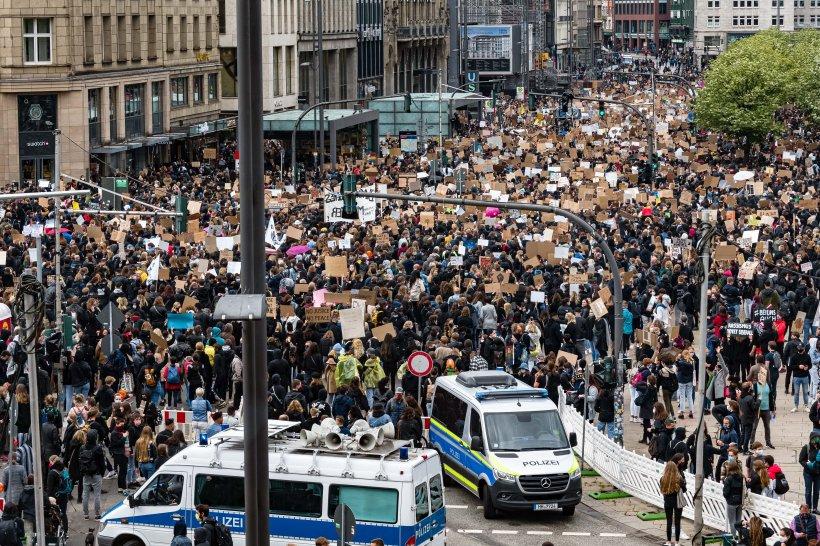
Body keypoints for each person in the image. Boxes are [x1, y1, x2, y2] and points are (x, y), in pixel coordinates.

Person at [659, 457, 686, 546]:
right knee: (677, 522)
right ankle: (677, 542)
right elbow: (684, 490)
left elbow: (662, 490)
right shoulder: (679, 478)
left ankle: (668, 541)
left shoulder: (663, 478)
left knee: (669, 521)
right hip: (677, 501)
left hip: (667, 501)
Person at [80, 429, 106, 520]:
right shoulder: (98, 448)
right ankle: (97, 514)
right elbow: (102, 463)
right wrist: (102, 473)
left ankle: (86, 514)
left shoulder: (82, 447)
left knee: (85, 494)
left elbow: (80, 461)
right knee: (97, 495)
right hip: (96, 473)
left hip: (86, 473)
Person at [723, 461, 745, 538]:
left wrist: (727, 498)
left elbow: (726, 492)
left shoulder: (728, 479)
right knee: (739, 521)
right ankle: (739, 536)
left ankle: (733, 537)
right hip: (739, 501)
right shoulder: (741, 477)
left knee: (732, 522)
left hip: (731, 502)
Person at [799, 435, 820, 511]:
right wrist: (807, 464)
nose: (815, 442)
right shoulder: (806, 447)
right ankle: (808, 508)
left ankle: (814, 508)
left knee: (816, 491)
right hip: (808, 473)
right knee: (808, 491)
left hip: (818, 473)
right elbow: (801, 459)